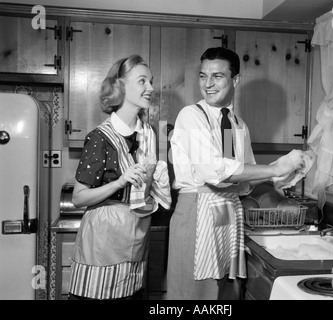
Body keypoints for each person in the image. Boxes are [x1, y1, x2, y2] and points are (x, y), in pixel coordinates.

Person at [166, 47, 305, 300]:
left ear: (235, 80)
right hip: (197, 209)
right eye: (202, 76)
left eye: (217, 76)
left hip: (228, 211)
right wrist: (274, 168)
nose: (208, 84)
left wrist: (278, 173)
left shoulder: (236, 125)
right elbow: (214, 170)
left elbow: (241, 179)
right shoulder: (191, 116)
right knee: (195, 294)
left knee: (226, 293)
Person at [67, 55, 171, 300]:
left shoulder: (150, 134)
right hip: (103, 240)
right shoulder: (99, 138)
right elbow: (79, 198)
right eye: (142, 81)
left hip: (136, 235)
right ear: (119, 87)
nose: (152, 88)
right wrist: (120, 181)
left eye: (151, 81)